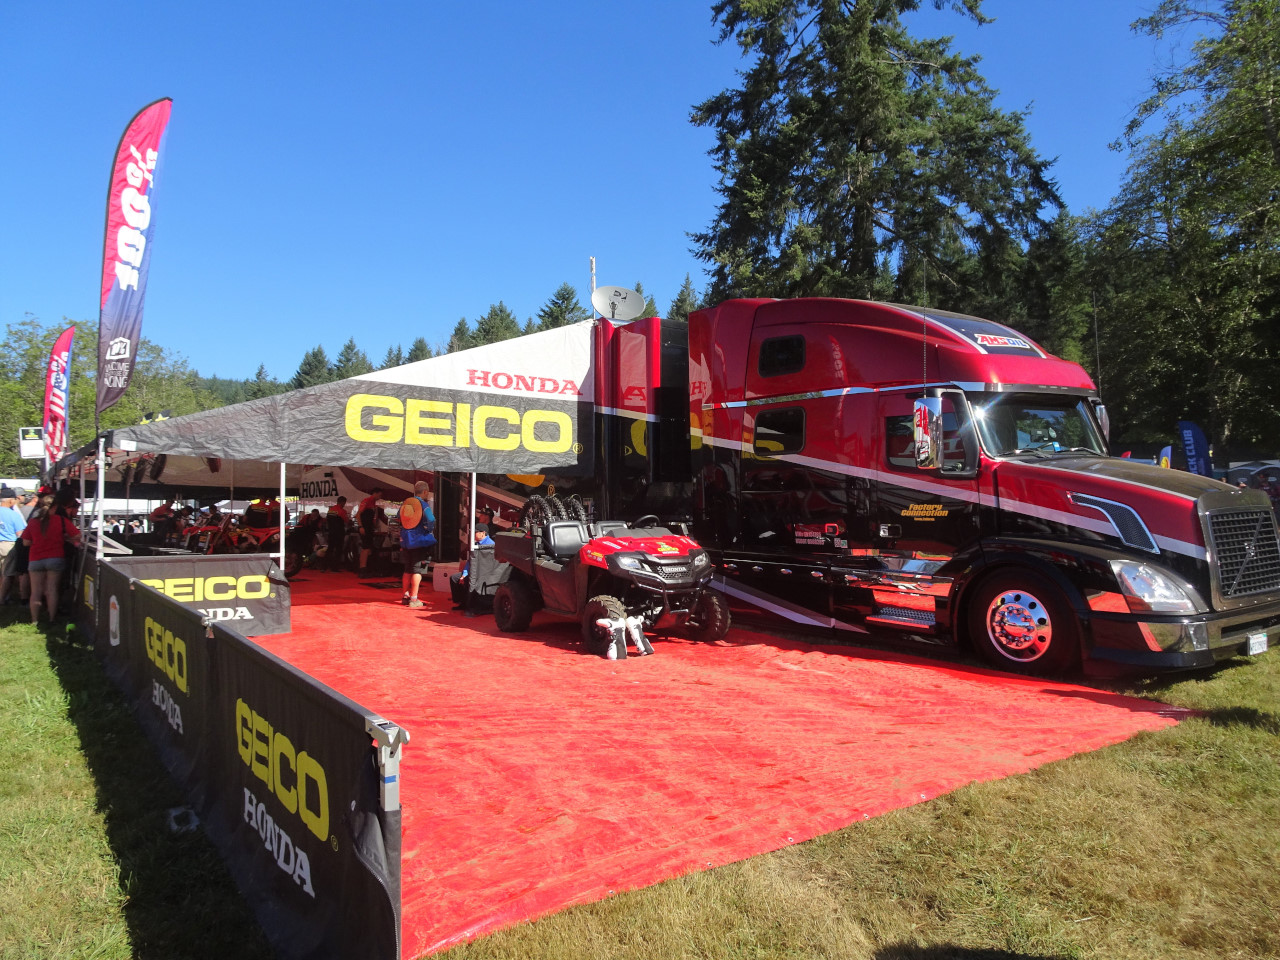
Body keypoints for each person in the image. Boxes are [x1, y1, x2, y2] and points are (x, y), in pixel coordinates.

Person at [22, 492, 81, 624]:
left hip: (35, 559)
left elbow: (25, 542)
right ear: (55, 507)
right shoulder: (61, 520)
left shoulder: (33, 522)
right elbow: (78, 536)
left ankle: (34, 620)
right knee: (52, 589)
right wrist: (64, 537)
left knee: (36, 591)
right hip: (55, 558)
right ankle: (51, 618)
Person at [399, 482, 436, 607]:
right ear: (425, 491)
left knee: (407, 569)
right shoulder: (423, 505)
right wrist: (428, 529)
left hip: (405, 540)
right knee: (417, 570)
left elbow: (399, 517)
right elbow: (431, 519)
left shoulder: (406, 503)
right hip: (418, 541)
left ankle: (405, 596)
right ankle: (414, 599)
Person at [450, 523, 495, 613]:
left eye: (475, 532)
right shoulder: (475, 544)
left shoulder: (491, 545)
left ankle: (471, 605)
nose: (473, 534)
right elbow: (470, 561)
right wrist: (464, 574)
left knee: (469, 580)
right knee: (454, 578)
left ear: (483, 533)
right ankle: (462, 603)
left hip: (484, 574)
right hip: (473, 572)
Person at [0, 488, 26, 605]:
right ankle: (2, 599)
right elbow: (20, 533)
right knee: (7, 574)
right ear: (11, 501)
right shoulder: (14, 515)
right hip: (9, 545)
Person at [357, 487, 385, 577]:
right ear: (375, 493)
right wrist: (361, 526)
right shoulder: (367, 501)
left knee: (368, 548)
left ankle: (364, 568)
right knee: (366, 548)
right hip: (365, 528)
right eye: (379, 495)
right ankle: (362, 569)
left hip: (369, 528)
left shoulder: (373, 503)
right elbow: (358, 514)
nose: (380, 497)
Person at [325, 497, 350, 571]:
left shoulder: (331, 510)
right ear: (342, 502)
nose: (344, 504)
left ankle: (324, 566)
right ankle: (335, 567)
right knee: (338, 549)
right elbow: (347, 521)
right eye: (344, 503)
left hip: (331, 532)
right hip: (339, 533)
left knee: (330, 548)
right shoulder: (342, 511)